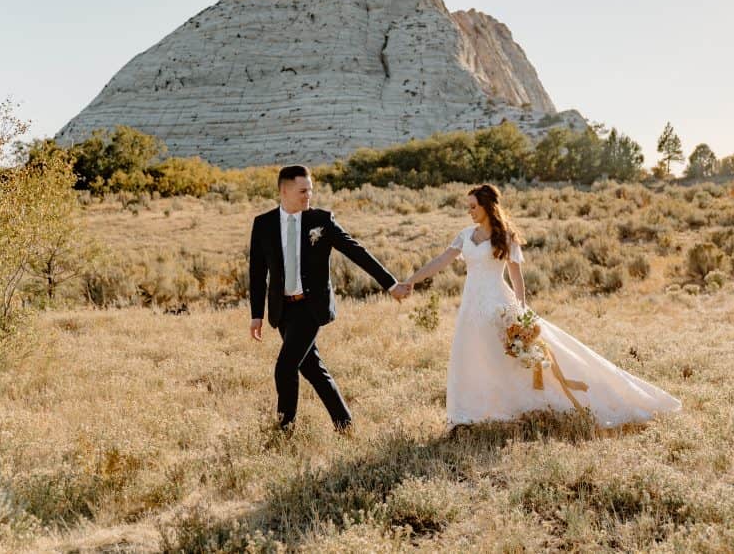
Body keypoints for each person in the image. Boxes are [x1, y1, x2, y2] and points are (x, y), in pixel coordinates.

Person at [402, 184, 681, 431]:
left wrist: (521, 313)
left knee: (513, 360)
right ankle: (467, 417)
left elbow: (516, 277)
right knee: (471, 357)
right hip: (471, 308)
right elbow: (440, 261)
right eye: (468, 208)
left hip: (500, 305)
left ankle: (522, 410)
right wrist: (411, 280)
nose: (470, 212)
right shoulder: (465, 235)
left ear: (487, 207)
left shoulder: (505, 236)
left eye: (473, 207)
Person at [248, 165, 411, 432]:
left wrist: (390, 284)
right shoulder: (263, 224)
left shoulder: (321, 220)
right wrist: (257, 314)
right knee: (312, 369)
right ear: (284, 191)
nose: (308, 196)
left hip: (310, 308)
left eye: (310, 190)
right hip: (282, 311)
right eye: (302, 191)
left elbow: (356, 251)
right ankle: (345, 424)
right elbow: (256, 272)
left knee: (285, 368)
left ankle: (285, 431)